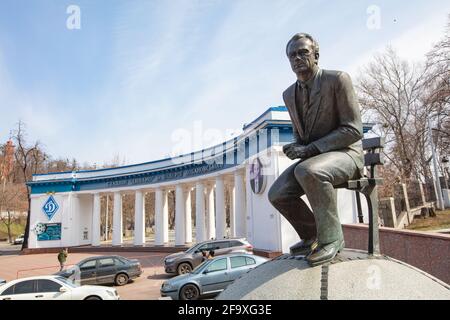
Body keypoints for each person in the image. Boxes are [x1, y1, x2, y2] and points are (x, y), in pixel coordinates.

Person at [268, 33, 364, 266]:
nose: (297, 58)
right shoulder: (289, 94)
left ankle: (332, 239)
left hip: (346, 155)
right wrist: (296, 147)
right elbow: (301, 134)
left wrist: (310, 149)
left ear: (316, 55)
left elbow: (353, 130)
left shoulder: (338, 80)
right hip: (314, 158)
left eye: (303, 52)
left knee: (309, 171)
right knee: (277, 194)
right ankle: (312, 234)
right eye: (292, 55)